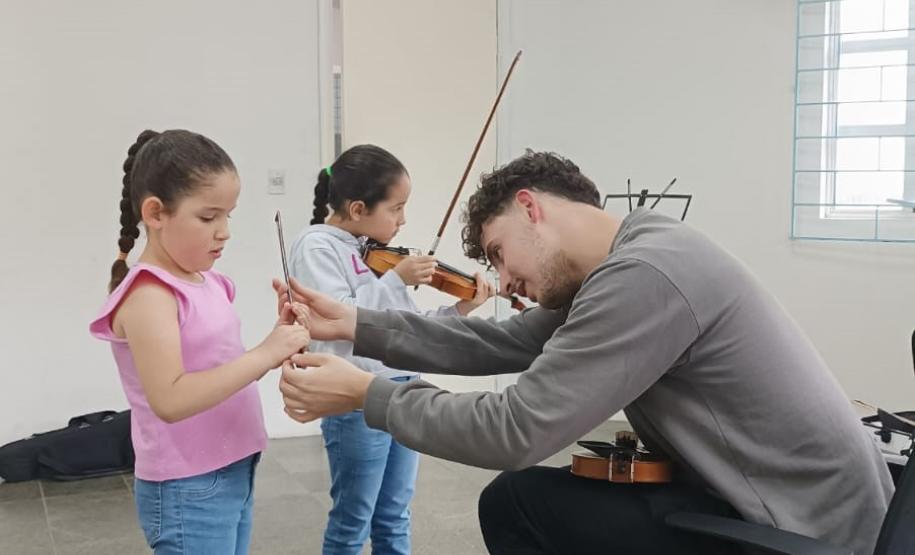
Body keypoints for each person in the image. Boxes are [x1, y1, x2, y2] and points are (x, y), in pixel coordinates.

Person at [274, 151, 893, 555]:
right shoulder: (636, 252)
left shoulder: (647, 274)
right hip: (760, 500)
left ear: (530, 207)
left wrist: (367, 394)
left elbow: (514, 431)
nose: (502, 279)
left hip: (805, 532)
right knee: (526, 500)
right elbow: (499, 339)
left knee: (520, 504)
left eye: (495, 253)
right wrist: (355, 323)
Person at [90, 129, 309, 554]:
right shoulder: (149, 294)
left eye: (229, 215)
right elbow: (170, 399)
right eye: (209, 218)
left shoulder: (209, 281)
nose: (224, 231)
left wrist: (276, 335)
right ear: (155, 213)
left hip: (233, 465)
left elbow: (218, 363)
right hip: (188, 484)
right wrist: (266, 354)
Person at [288, 144, 494, 555]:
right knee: (352, 521)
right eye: (396, 209)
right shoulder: (317, 247)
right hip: (354, 399)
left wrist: (461, 307)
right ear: (359, 208)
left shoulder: (370, 254)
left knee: (395, 515)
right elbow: (340, 318)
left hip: (403, 392)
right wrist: (396, 280)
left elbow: (407, 330)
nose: (403, 220)